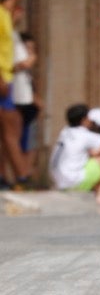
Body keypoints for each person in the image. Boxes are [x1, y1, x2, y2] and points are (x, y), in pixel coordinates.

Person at [0, 0, 25, 188]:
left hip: (7, 76)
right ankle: (22, 176)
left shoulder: (6, 16)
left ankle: (7, 177)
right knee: (11, 129)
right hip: (2, 79)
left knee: (8, 128)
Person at [15, 31, 39, 186]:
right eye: (27, 48)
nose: (31, 52)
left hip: (30, 112)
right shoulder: (21, 64)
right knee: (16, 143)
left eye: (32, 49)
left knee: (29, 147)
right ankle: (21, 177)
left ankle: (26, 177)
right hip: (19, 109)